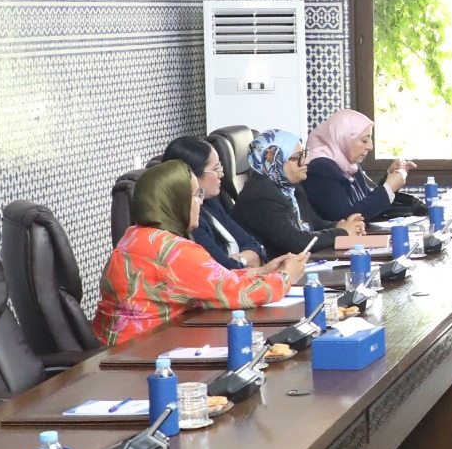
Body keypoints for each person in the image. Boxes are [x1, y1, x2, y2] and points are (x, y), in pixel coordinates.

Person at [92, 160, 303, 345]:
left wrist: (262, 272)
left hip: (121, 347)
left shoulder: (134, 236)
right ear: (175, 202)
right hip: (146, 351)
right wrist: (285, 277)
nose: (200, 202)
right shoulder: (174, 251)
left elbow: (211, 279)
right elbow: (238, 294)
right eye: (195, 195)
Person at [234, 129, 379, 257]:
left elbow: (313, 223)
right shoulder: (261, 194)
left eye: (305, 154)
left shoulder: (290, 187)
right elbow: (296, 242)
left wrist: (341, 225)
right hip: (274, 270)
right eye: (299, 157)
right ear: (274, 161)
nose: (307, 161)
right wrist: (342, 232)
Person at [162, 136, 265, 271]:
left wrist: (240, 259)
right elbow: (223, 268)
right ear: (192, 175)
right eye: (216, 169)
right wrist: (246, 262)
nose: (221, 175)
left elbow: (255, 246)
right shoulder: (190, 221)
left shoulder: (212, 203)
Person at [299, 110, 420, 225]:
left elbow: (366, 204)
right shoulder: (320, 168)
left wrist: (390, 177)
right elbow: (347, 218)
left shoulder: (350, 165)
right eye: (364, 140)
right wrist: (388, 188)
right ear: (343, 138)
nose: (370, 146)